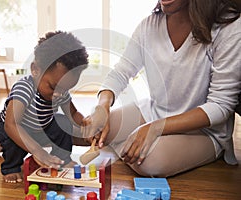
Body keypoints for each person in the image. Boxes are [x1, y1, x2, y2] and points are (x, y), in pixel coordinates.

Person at [83, 0, 240, 177]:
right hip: (154, 113)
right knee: (93, 128)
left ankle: (125, 143)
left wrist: (155, 128)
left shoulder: (228, 27)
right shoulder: (149, 26)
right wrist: (102, 106)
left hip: (203, 133)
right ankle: (128, 142)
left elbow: (220, 106)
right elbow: (120, 73)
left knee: (150, 161)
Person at [0, 31, 89, 183]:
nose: (59, 94)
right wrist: (37, 151)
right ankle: (11, 168)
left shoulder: (60, 91)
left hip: (40, 126)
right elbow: (11, 125)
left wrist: (87, 124)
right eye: (53, 87)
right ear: (35, 70)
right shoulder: (24, 88)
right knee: (13, 141)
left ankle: (62, 159)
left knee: (63, 123)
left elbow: (73, 114)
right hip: (13, 128)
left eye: (65, 89)